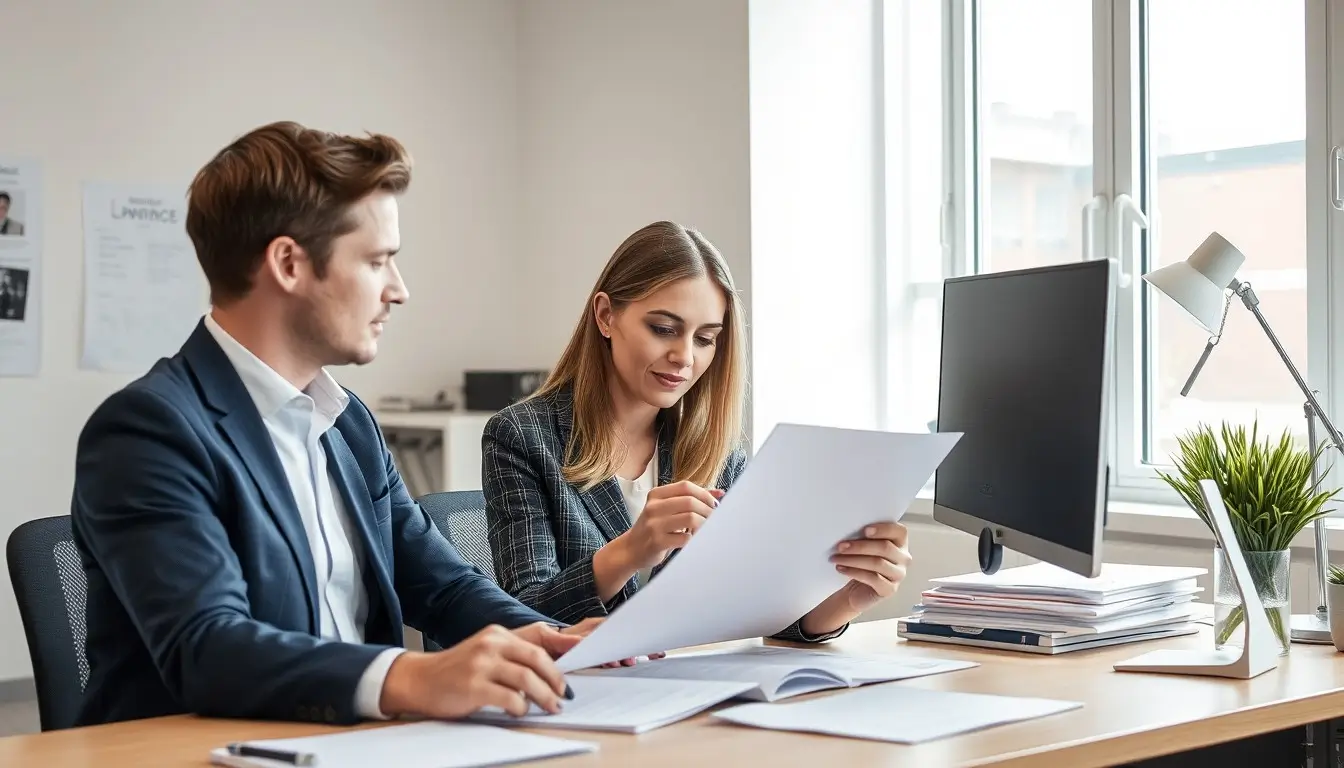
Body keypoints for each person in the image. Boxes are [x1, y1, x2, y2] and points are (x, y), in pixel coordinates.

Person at [69, 121, 605, 728]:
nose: (399, 291)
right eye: (378, 261)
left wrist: (552, 640)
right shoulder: (149, 432)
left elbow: (443, 587)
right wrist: (411, 676)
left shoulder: (347, 423)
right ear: (289, 264)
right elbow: (208, 649)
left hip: (355, 744)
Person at [482, 221, 913, 642]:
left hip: (693, 695)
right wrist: (630, 551)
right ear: (606, 316)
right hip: (582, 697)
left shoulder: (717, 453)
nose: (684, 357)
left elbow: (760, 610)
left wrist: (850, 598)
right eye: (663, 329)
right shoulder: (522, 436)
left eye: (705, 338)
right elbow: (525, 616)